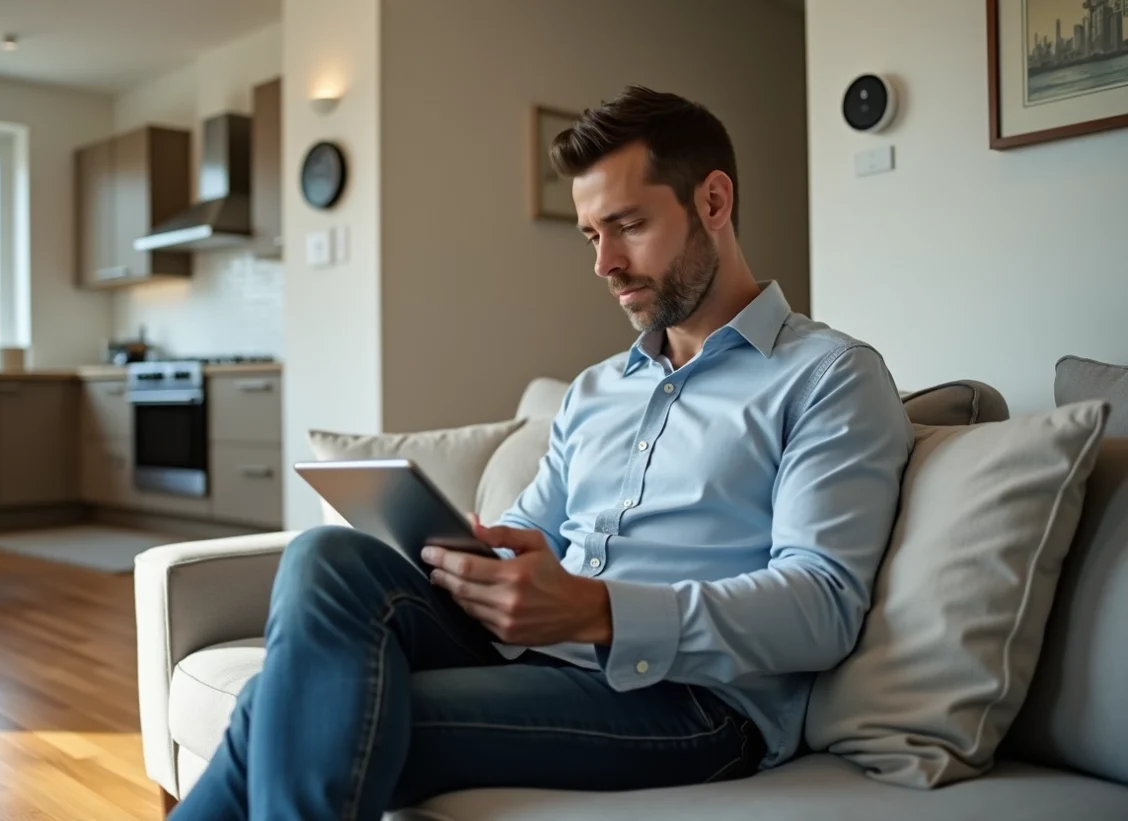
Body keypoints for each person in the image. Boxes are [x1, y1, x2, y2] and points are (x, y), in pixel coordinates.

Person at [171, 85, 914, 821]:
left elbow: (822, 603)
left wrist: (601, 609)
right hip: (542, 659)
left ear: (713, 203)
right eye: (592, 234)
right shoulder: (596, 391)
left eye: (627, 225)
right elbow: (533, 530)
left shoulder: (829, 376)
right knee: (327, 556)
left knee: (289, 702)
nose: (605, 263)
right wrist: (485, 556)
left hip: (695, 704)